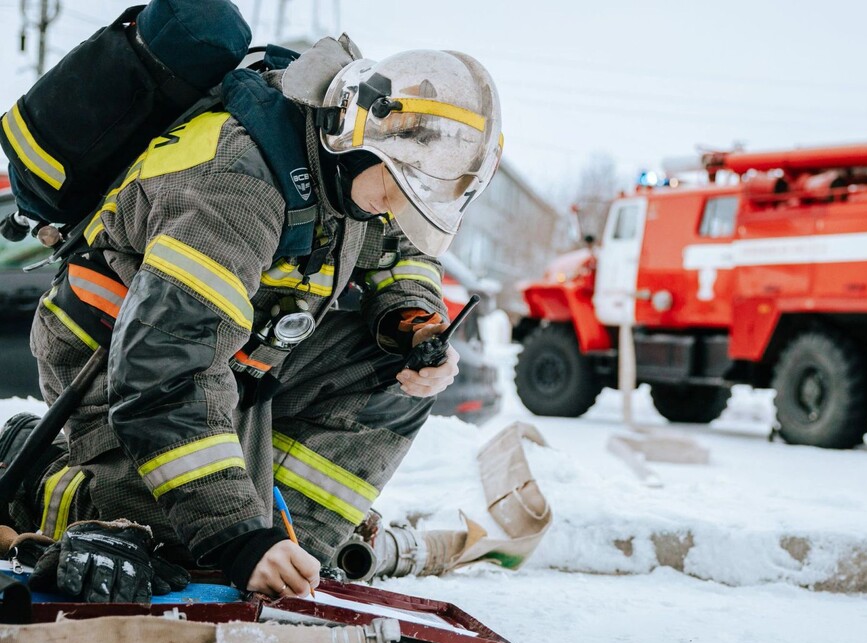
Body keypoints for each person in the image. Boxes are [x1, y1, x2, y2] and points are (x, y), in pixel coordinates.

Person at [0, 36, 502, 601]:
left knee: (387, 372)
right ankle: (35, 476)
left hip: (232, 355)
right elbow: (167, 368)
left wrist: (413, 320)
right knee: (180, 537)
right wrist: (236, 536)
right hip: (114, 354)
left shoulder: (351, 171)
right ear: (362, 146)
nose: (397, 206)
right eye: (398, 189)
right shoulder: (236, 189)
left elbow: (396, 248)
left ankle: (295, 551)